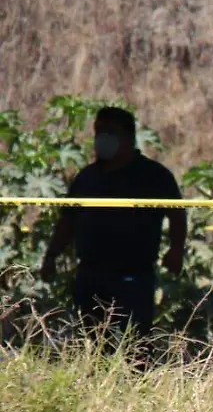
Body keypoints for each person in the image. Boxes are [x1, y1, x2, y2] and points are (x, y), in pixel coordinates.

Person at [40, 106, 186, 341]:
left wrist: (177, 249)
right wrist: (51, 256)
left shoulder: (153, 176)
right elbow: (68, 220)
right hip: (91, 276)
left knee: (136, 346)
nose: (101, 138)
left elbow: (177, 214)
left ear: (127, 137)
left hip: (134, 279)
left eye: (109, 132)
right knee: (91, 344)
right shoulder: (87, 178)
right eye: (98, 131)